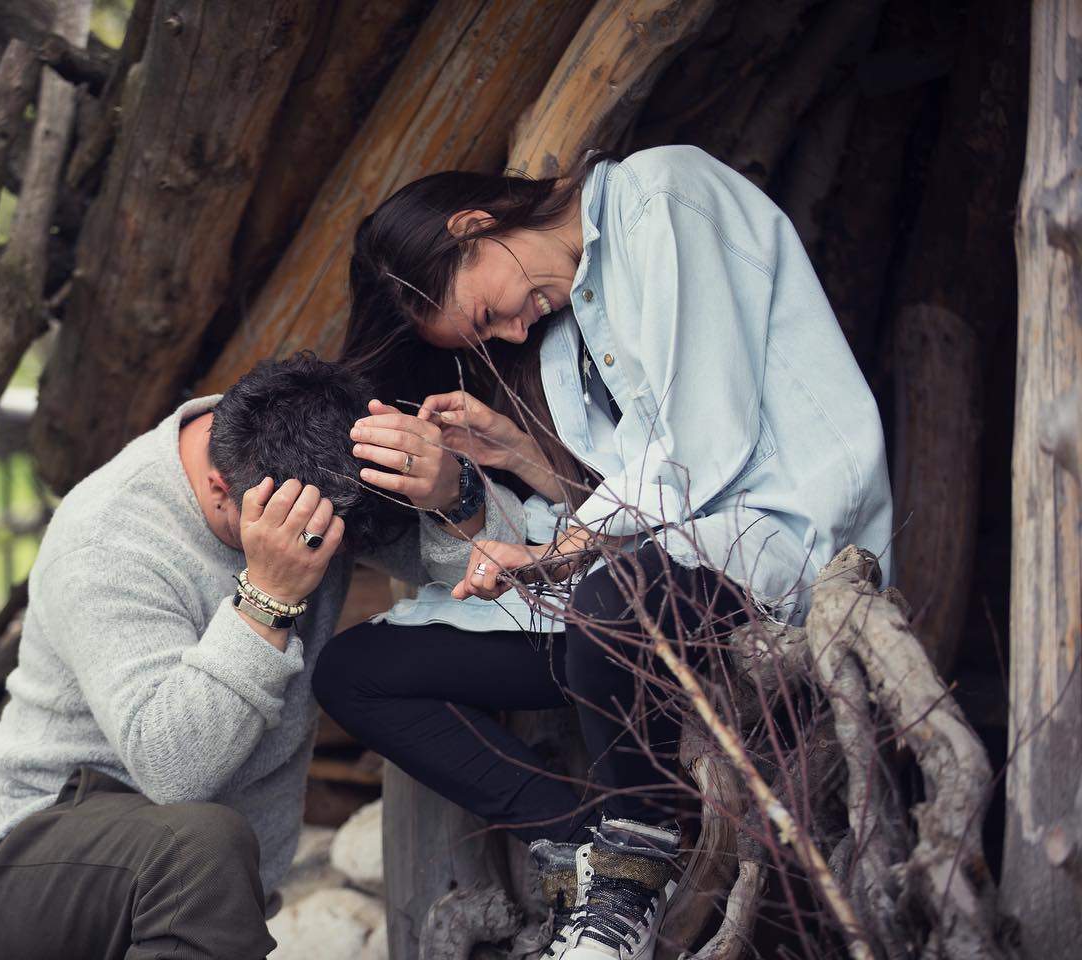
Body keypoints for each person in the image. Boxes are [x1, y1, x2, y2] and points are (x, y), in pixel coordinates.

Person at [314, 144, 893, 959]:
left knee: (607, 599)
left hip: (776, 542)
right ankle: (590, 849)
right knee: (355, 672)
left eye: (487, 314)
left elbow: (701, 453)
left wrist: (559, 553)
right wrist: (521, 462)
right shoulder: (568, 327)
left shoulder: (665, 196)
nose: (514, 327)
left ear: (475, 225)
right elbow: (629, 495)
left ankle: (630, 876)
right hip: (640, 585)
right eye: (492, 331)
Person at [0, 352, 528, 960]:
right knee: (202, 844)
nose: (320, 546)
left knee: (204, 851)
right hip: (40, 853)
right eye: (306, 536)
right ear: (217, 488)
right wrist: (269, 597)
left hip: (198, 882)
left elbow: (499, 570)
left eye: (333, 535)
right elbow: (174, 772)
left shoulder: (310, 457)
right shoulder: (107, 542)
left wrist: (454, 492)